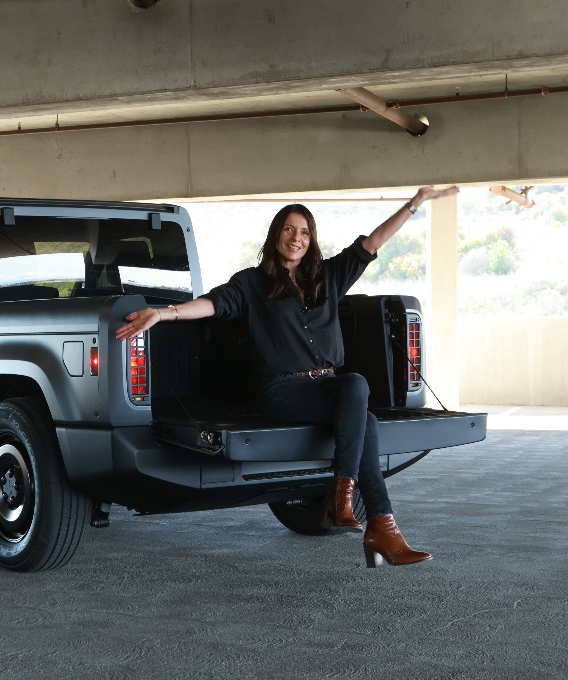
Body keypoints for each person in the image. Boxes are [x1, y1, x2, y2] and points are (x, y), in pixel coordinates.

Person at [116, 185, 460, 567]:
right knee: (367, 421)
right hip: (281, 389)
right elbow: (213, 305)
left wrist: (415, 204)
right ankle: (377, 524)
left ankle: (360, 509)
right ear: (276, 234)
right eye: (289, 230)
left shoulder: (328, 276)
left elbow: (373, 242)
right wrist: (164, 313)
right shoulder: (252, 283)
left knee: (358, 387)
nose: (296, 238)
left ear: (311, 240)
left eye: (305, 232)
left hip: (327, 383)